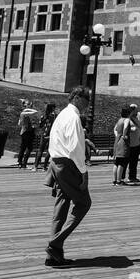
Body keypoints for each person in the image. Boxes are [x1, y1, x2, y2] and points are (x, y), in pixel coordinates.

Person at [44, 87, 92, 267]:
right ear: (77, 98)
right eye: (86, 100)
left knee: (62, 204)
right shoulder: (73, 117)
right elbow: (75, 149)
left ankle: (54, 256)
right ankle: (55, 243)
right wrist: (84, 173)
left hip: (56, 163)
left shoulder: (62, 114)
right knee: (84, 203)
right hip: (68, 165)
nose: (88, 104)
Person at [111, 106, 132, 185]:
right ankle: (119, 181)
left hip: (117, 141)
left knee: (116, 162)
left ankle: (115, 180)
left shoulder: (119, 120)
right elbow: (126, 126)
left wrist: (117, 135)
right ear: (128, 113)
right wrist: (124, 134)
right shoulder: (127, 119)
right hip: (123, 142)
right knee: (122, 162)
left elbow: (115, 129)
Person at [16, 100, 39, 169]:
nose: (31, 106)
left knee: (23, 148)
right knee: (28, 148)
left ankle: (20, 162)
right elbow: (36, 112)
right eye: (29, 104)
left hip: (25, 132)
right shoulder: (25, 113)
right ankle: (24, 163)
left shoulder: (23, 113)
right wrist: (27, 108)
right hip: (27, 132)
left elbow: (19, 123)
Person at [34, 102, 57, 170]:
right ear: (53, 108)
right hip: (51, 135)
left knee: (40, 150)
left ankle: (36, 166)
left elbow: (40, 125)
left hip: (44, 134)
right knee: (49, 151)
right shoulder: (54, 116)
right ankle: (44, 166)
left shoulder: (44, 115)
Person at [125, 104, 140, 183]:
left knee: (134, 162)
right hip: (129, 144)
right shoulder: (127, 119)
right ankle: (121, 178)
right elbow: (118, 129)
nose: (137, 111)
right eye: (135, 109)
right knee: (126, 161)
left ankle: (132, 177)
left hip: (136, 143)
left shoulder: (136, 118)